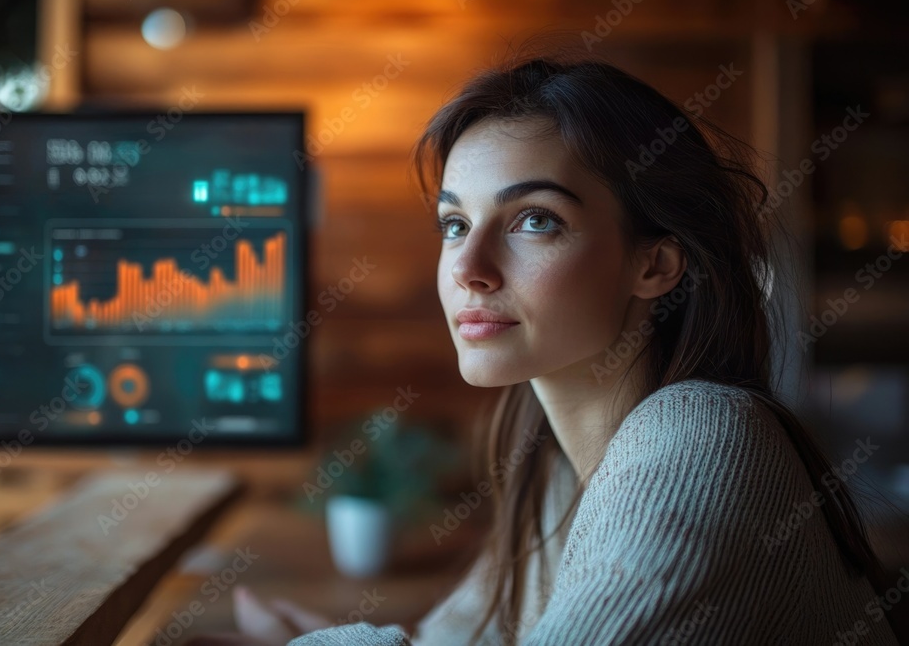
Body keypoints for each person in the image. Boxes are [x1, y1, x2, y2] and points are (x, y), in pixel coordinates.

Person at [190, 52, 903, 645]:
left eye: (534, 219)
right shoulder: (556, 470)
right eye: (454, 224)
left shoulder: (703, 434)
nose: (469, 268)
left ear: (655, 264)